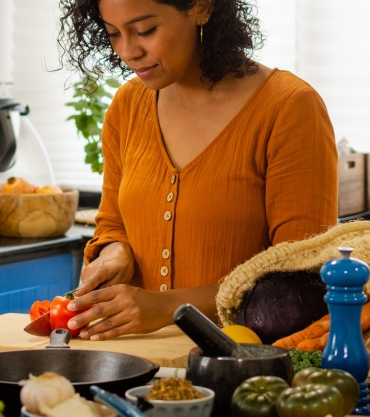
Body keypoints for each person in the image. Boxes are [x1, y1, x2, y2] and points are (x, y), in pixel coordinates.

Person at [57, 0, 338, 340]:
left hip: (244, 369)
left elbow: (297, 279)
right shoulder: (127, 106)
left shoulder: (289, 107)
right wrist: (115, 252)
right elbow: (112, 224)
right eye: (113, 33)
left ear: (202, 7)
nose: (127, 51)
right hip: (134, 360)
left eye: (145, 30)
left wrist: (166, 307)